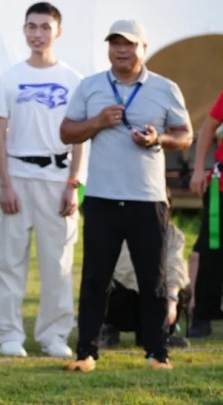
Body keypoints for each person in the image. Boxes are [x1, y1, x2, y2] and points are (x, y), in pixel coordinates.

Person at [61, 19, 192, 372]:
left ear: (143, 48)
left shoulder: (165, 88)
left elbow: (184, 135)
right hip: (102, 197)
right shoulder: (90, 86)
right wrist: (97, 122)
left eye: (129, 44)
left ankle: (157, 353)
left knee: (153, 279)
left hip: (148, 198)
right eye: (115, 43)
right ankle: (86, 352)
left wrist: (158, 139)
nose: (121, 50)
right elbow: (67, 132)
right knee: (95, 279)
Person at [0, 2, 84, 359]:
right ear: (24, 30)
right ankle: (8, 333)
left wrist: (73, 184)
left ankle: (54, 334)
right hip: (17, 175)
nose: (37, 34)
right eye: (31, 26)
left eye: (45, 27)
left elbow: (79, 137)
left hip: (57, 178)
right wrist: (5, 185)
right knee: (9, 260)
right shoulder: (9, 79)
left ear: (58, 31)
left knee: (58, 262)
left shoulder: (73, 80)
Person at [98, 199, 192, 350]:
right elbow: (124, 272)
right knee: (112, 286)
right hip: (127, 296)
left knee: (183, 288)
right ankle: (109, 328)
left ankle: (160, 333)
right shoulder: (122, 229)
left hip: (155, 295)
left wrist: (171, 299)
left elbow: (175, 267)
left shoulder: (174, 234)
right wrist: (151, 289)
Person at [187, 89, 223, 337]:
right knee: (212, 250)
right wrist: (199, 169)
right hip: (221, 188)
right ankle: (202, 315)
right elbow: (208, 128)